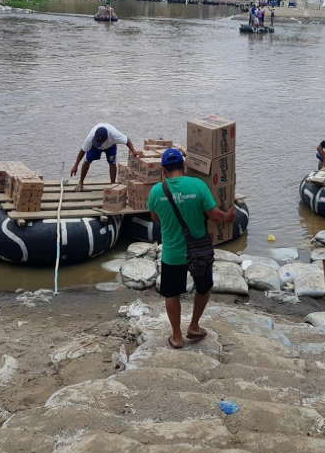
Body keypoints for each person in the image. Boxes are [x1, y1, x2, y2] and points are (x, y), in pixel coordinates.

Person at [147, 148, 236, 349]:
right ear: (183, 166)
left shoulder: (156, 191)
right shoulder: (198, 185)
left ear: (163, 170)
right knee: (203, 288)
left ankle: (177, 337)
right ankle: (194, 326)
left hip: (172, 253)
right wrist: (229, 217)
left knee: (172, 294)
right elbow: (215, 216)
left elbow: (154, 218)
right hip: (199, 252)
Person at [70, 123, 141, 192]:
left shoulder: (114, 135)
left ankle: (112, 185)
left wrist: (134, 151)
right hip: (94, 147)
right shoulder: (90, 137)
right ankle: (80, 182)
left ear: (107, 138)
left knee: (112, 163)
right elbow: (82, 150)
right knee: (87, 160)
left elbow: (127, 140)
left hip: (110, 146)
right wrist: (75, 166)